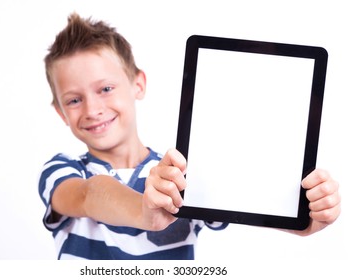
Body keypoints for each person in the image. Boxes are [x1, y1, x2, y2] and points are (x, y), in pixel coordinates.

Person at [38, 13, 341, 260]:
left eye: (105, 89)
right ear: (61, 113)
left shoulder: (179, 175)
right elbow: (91, 194)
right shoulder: (62, 170)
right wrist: (144, 212)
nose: (92, 109)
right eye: (74, 100)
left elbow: (251, 202)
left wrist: (304, 218)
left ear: (138, 85)